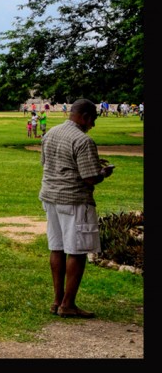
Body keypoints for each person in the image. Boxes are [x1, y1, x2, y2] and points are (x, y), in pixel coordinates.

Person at [39, 98, 114, 318]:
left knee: (57, 247)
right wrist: (103, 173)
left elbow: (47, 163)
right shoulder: (83, 140)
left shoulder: (50, 133)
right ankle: (68, 304)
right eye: (93, 120)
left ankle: (56, 301)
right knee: (77, 251)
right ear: (85, 117)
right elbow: (89, 178)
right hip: (73, 199)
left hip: (50, 196)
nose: (93, 125)